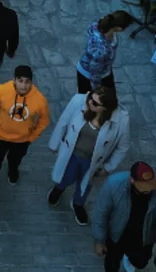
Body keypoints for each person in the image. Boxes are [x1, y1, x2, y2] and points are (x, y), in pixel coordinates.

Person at [48, 86, 130, 225]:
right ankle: (59, 189)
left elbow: (122, 147)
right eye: (90, 98)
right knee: (66, 175)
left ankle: (78, 204)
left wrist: (108, 167)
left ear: (105, 108)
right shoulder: (78, 101)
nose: (90, 103)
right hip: (72, 154)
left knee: (85, 185)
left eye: (95, 103)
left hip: (93, 161)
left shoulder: (122, 120)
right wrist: (54, 144)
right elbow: (64, 121)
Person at [0, 65, 51, 211]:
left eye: (27, 82)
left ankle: (13, 169)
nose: (24, 85)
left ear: (31, 82)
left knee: (15, 159)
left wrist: (31, 137)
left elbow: (44, 120)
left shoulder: (39, 100)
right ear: (14, 80)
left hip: (21, 140)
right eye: (20, 81)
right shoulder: (1, 92)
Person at [92, 162, 156, 272]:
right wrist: (99, 240)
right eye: (143, 186)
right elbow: (100, 213)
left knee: (140, 263)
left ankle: (130, 258)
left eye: (150, 185)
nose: (148, 190)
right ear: (132, 180)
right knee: (111, 265)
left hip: (144, 236)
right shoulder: (113, 184)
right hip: (117, 235)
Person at [78, 11, 133, 95]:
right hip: (89, 75)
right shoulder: (102, 51)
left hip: (102, 68)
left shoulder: (97, 24)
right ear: (119, 28)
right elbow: (94, 72)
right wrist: (97, 89)